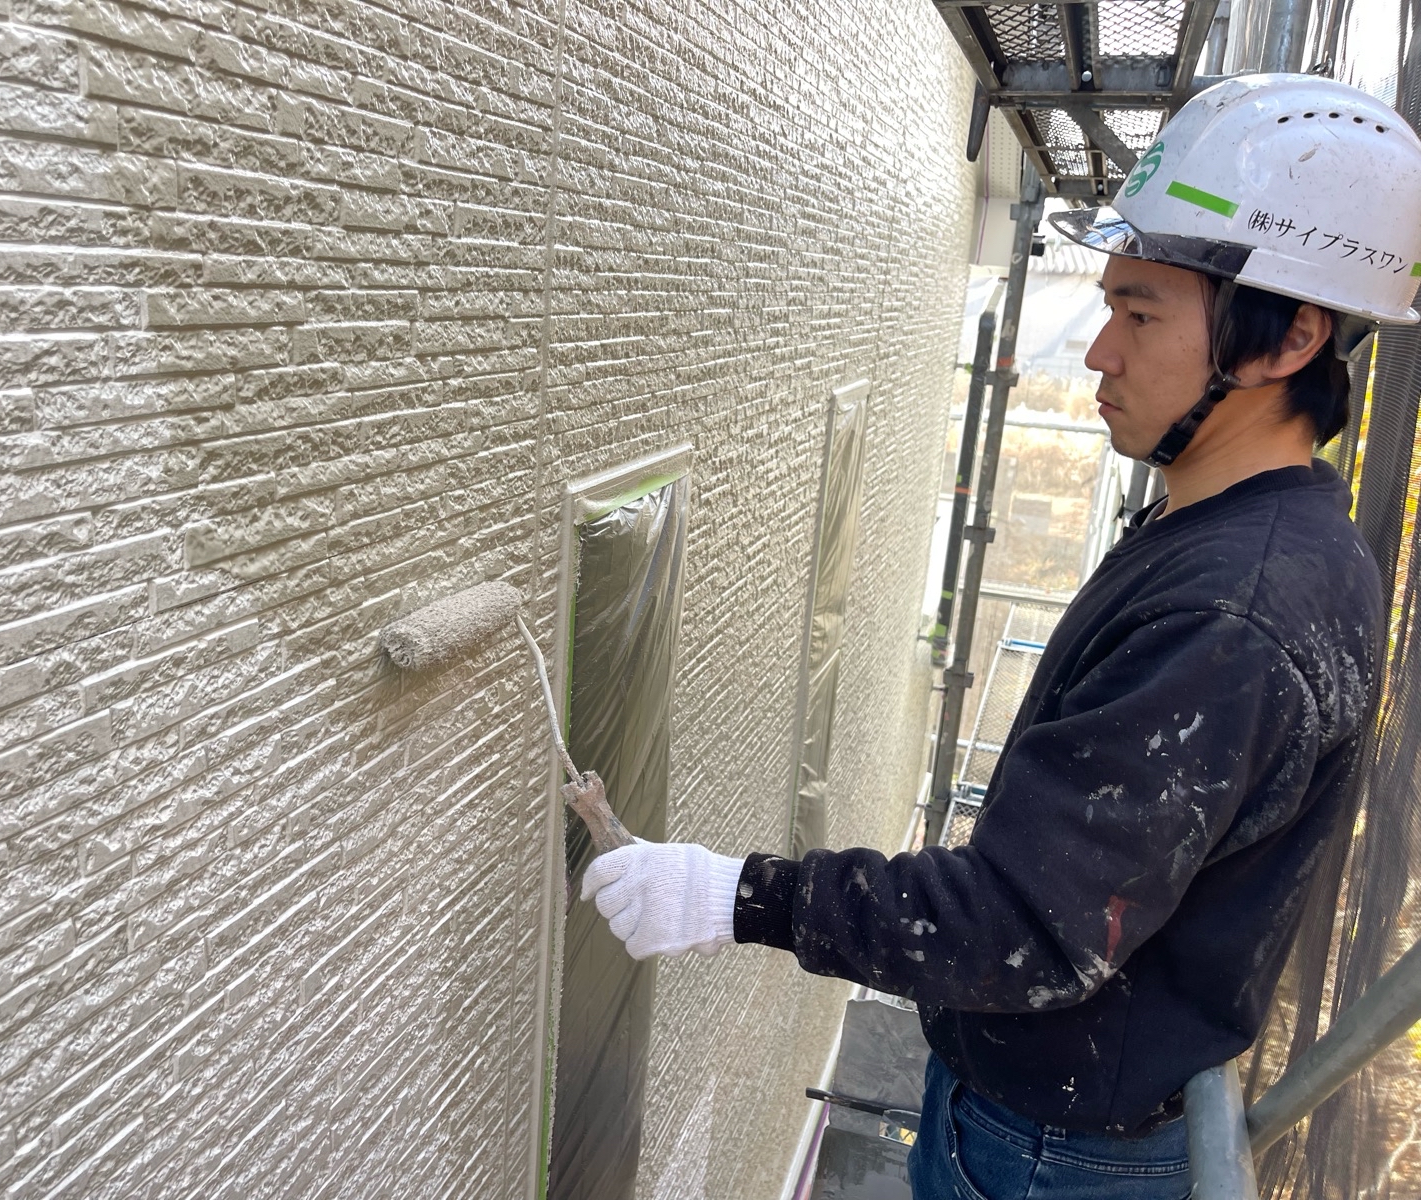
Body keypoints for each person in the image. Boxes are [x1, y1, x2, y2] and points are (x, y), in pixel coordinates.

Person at [577, 74, 1421, 1199]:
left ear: (1289, 339)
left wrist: (729, 895)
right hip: (1048, 1121)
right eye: (1108, 310)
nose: (1100, 354)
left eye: (1140, 315)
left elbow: (1024, 927)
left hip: (1053, 1161)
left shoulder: (1237, 616)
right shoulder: (1240, 532)